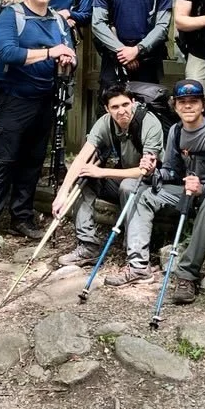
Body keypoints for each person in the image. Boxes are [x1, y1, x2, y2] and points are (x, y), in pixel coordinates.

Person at [0, 0, 77, 253]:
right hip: (13, 99)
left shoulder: (58, 20)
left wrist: (67, 60)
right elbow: (8, 52)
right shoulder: (11, 16)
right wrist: (50, 52)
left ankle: (22, 217)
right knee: (3, 162)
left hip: (46, 99)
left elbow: (69, 53)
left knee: (33, 161)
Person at [132, 79, 205, 304]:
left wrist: (204, 188)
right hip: (184, 189)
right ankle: (137, 264)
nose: (187, 106)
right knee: (146, 195)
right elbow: (172, 170)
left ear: (203, 104)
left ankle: (187, 275)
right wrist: (154, 172)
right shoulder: (175, 131)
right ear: (174, 106)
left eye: (193, 101)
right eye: (182, 102)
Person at [53, 84, 164, 274]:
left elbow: (144, 172)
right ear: (107, 109)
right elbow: (82, 158)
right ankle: (88, 245)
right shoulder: (105, 123)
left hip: (154, 184)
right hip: (124, 178)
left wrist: (102, 172)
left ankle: (134, 249)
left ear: (133, 103)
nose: (121, 111)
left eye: (125, 104)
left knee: (128, 185)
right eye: (115, 107)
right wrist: (62, 193)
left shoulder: (149, 123)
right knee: (85, 177)